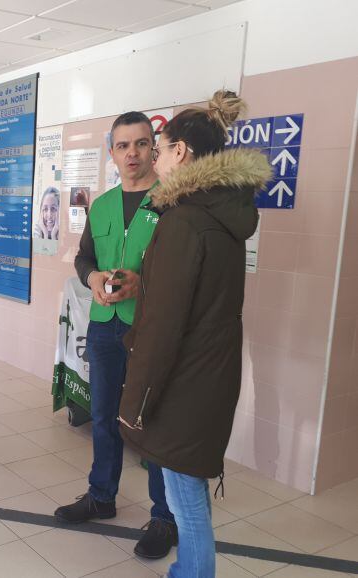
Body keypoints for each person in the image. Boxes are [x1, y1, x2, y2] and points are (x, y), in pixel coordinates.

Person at [118, 91, 270, 577]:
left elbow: (163, 324)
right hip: (209, 375)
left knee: (186, 503)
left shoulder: (184, 221)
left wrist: (136, 399)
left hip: (183, 384)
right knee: (191, 492)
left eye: (158, 148)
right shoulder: (223, 213)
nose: (154, 158)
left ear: (180, 152)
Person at [55, 111, 177, 560]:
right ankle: (101, 497)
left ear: (154, 149)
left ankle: (164, 517)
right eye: (123, 146)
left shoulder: (173, 202)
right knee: (103, 416)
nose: (132, 154)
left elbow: (181, 273)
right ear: (112, 152)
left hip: (150, 330)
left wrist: (141, 284)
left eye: (142, 144)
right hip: (105, 329)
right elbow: (84, 258)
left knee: (152, 423)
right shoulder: (103, 205)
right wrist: (92, 279)